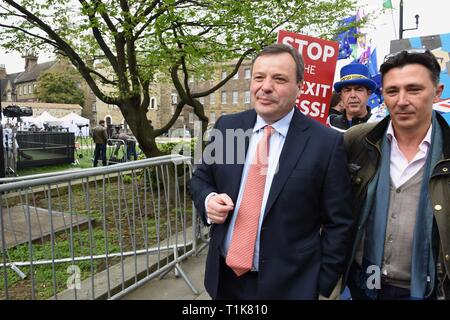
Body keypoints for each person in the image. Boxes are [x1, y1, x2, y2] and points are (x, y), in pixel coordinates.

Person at [189, 44, 354, 300]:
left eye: (279, 79)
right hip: (224, 280)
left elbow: (339, 223)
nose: (266, 87)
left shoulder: (325, 143)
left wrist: (321, 284)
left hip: (290, 286)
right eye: (259, 77)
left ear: (300, 86)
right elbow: (202, 178)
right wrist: (209, 200)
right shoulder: (230, 128)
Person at [343, 49, 450, 300]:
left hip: (430, 289)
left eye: (414, 89)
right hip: (361, 285)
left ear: (437, 92)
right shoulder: (357, 142)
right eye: (392, 91)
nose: (402, 100)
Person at [328, 63, 377, 132]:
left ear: (369, 94)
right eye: (347, 90)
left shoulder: (379, 126)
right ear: (340, 95)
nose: (353, 95)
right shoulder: (330, 125)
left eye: (358, 90)